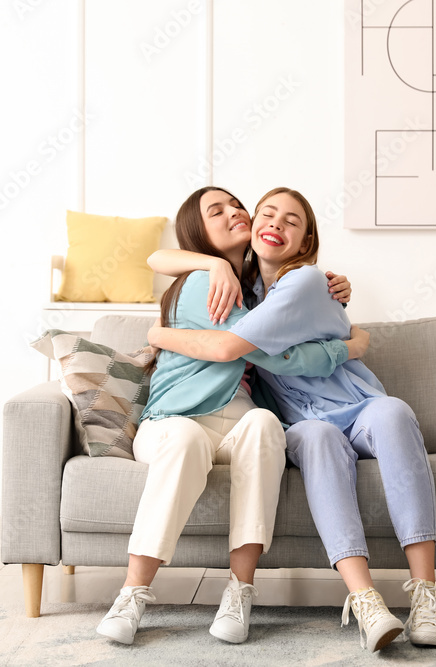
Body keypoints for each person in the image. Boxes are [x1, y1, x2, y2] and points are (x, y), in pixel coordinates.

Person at [148, 187, 436, 652]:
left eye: (291, 221)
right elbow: (158, 258)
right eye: (267, 213)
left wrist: (158, 333)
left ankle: (426, 595)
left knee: (393, 413)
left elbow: (248, 352)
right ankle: (365, 601)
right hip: (303, 421)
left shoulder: (307, 281)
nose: (274, 223)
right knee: (315, 439)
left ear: (306, 241)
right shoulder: (241, 291)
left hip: (359, 405)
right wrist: (214, 264)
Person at [96, 186, 367, 647]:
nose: (234, 213)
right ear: (197, 232)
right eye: (215, 211)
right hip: (173, 420)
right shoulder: (204, 281)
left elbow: (288, 328)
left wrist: (345, 317)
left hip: (235, 423)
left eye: (236, 204)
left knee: (264, 424)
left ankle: (239, 591)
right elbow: (263, 352)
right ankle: (132, 592)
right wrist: (349, 347)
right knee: (185, 440)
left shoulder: (259, 291)